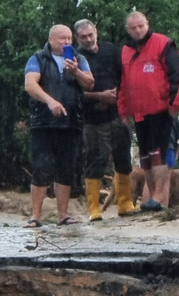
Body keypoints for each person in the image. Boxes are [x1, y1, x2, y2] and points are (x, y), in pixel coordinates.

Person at [23, 24, 95, 227]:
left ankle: (63, 215)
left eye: (69, 39)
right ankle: (35, 216)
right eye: (62, 39)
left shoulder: (78, 59)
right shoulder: (37, 58)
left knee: (66, 168)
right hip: (43, 122)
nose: (67, 43)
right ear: (51, 39)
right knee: (41, 167)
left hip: (71, 121)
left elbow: (90, 83)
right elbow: (30, 84)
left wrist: (76, 72)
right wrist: (50, 101)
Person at [117, 11, 179, 211]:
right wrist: (123, 110)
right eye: (133, 28)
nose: (138, 30)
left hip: (161, 110)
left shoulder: (164, 44)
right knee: (146, 157)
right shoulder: (126, 51)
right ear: (128, 30)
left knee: (159, 154)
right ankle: (152, 198)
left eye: (141, 26)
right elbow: (123, 83)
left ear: (147, 23)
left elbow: (177, 75)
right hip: (139, 112)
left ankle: (157, 196)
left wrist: (175, 103)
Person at [74, 19, 137, 220]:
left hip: (117, 113)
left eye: (90, 34)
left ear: (96, 32)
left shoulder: (111, 50)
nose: (88, 39)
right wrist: (99, 97)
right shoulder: (75, 58)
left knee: (123, 158)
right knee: (96, 160)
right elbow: (73, 94)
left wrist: (114, 97)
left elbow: (124, 77)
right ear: (77, 38)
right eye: (83, 37)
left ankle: (125, 203)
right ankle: (93, 208)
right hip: (92, 119)